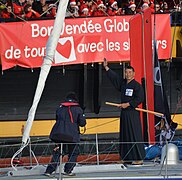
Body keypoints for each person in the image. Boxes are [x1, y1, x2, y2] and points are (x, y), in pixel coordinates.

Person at [103, 58, 145, 165]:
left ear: (134, 74)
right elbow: (114, 78)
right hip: (124, 114)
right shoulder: (123, 84)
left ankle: (138, 158)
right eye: (126, 72)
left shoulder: (137, 86)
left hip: (133, 113)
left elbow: (140, 98)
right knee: (125, 134)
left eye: (130, 72)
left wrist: (129, 104)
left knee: (134, 134)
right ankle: (126, 157)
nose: (128, 74)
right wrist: (106, 68)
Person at [44, 92, 86, 177]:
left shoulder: (60, 108)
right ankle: (68, 170)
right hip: (72, 135)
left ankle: (49, 170)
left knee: (58, 152)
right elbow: (82, 123)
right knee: (73, 153)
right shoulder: (78, 109)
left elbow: (57, 119)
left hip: (58, 134)